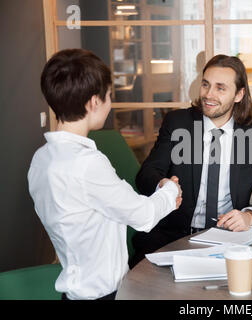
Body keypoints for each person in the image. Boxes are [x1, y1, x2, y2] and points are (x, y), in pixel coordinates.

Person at [27, 49, 182, 300]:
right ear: (93, 102)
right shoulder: (87, 164)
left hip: (75, 293)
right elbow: (143, 216)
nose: (110, 103)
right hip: (103, 295)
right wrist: (171, 190)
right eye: (109, 96)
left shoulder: (41, 159)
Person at [131, 54, 252, 267]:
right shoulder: (178, 124)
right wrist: (162, 183)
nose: (209, 94)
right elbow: (145, 175)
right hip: (173, 238)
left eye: (220, 88)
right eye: (206, 85)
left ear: (239, 94)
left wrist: (250, 216)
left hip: (228, 240)